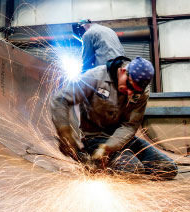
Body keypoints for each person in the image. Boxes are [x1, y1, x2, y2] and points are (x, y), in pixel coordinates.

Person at [50, 56, 178, 179]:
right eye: (129, 85)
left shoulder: (141, 92)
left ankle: (107, 168)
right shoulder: (96, 77)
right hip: (96, 138)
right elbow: (60, 100)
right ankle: (101, 164)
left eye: (135, 91)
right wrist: (65, 133)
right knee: (131, 170)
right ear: (123, 71)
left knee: (167, 167)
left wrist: (108, 149)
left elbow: (130, 125)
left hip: (124, 139)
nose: (130, 93)